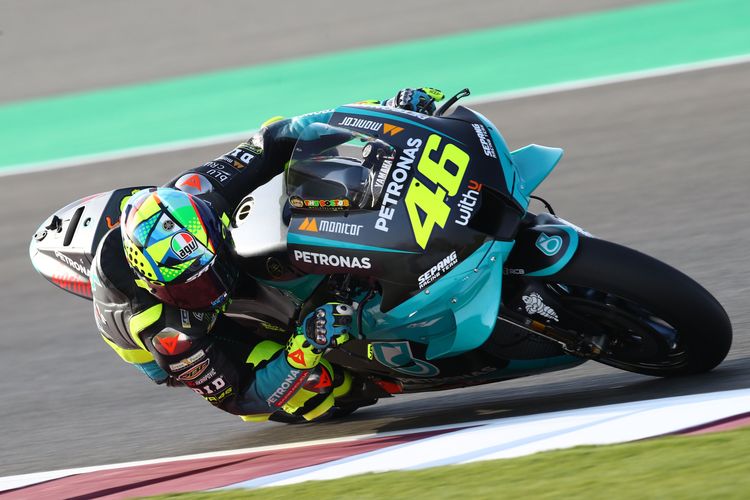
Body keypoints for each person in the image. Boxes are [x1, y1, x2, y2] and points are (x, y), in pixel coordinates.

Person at [89, 87, 445, 422]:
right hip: (191, 335)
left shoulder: (205, 190)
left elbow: (279, 136)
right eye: (190, 287)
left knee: (308, 171)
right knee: (316, 389)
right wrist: (304, 346)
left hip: (207, 241)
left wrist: (385, 112)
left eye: (209, 273)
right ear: (153, 285)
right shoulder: (168, 332)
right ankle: (357, 380)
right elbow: (242, 398)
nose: (211, 290)